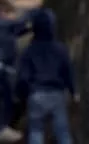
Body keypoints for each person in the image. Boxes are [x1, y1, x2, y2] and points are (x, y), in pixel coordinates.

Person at [16, 8, 78, 144]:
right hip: (57, 94)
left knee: (36, 131)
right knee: (62, 131)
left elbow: (23, 77)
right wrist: (74, 92)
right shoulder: (60, 49)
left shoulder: (29, 51)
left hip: (36, 94)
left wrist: (22, 95)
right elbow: (68, 72)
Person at [0, 0, 36, 143]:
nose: (13, 17)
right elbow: (20, 23)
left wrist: (31, 28)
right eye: (11, 13)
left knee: (2, 99)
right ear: (2, 13)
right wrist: (34, 13)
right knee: (4, 99)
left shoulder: (4, 28)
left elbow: (19, 29)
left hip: (1, 69)